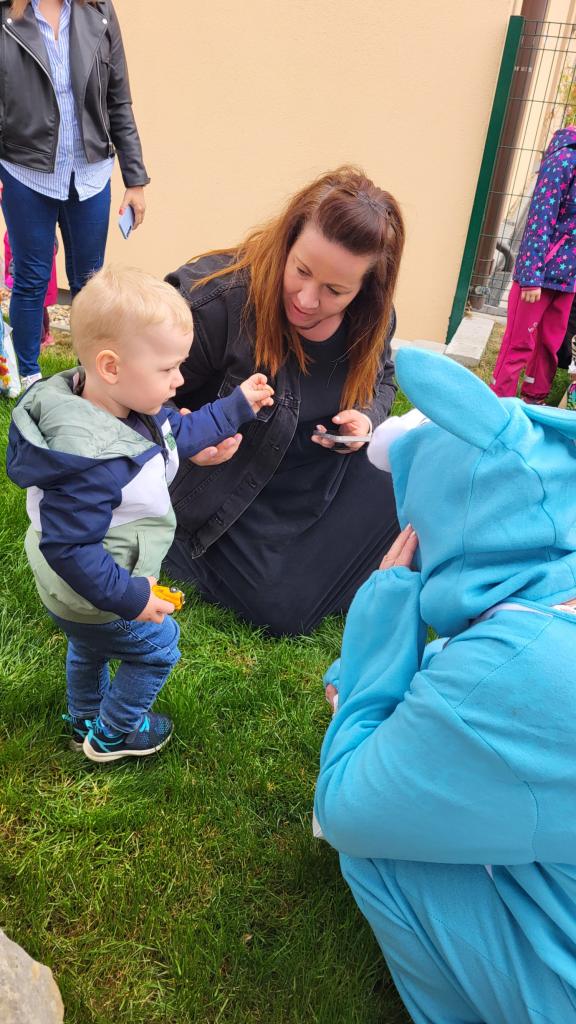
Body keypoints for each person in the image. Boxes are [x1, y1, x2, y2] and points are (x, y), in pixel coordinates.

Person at [315, 347, 576, 1023]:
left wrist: (381, 624)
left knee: (375, 849)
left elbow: (345, 806)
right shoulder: (550, 612)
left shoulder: (513, 665)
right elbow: (464, 672)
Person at [6, 266, 273, 762]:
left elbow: (178, 433)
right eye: (168, 369)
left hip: (76, 592)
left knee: (89, 646)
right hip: (94, 589)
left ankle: (84, 717)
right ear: (111, 366)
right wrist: (131, 597)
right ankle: (114, 734)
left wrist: (237, 406)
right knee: (158, 645)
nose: (179, 380)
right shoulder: (92, 460)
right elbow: (71, 548)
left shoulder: (116, 404)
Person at [164, 166, 404, 636]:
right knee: (285, 611)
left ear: (366, 288)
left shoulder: (373, 316)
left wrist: (367, 419)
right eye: (302, 271)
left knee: (423, 484)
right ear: (287, 239)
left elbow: (384, 380)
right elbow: (121, 396)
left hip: (324, 479)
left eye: (335, 290)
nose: (308, 300)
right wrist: (187, 436)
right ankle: (176, 546)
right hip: (231, 496)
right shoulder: (215, 301)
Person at [0, 0, 149, 389]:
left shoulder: (99, 10)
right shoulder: (6, 15)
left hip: (90, 173)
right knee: (31, 277)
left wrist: (134, 180)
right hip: (25, 171)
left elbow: (119, 100)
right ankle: (29, 379)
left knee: (90, 280)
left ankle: (89, 377)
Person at [491, 125, 576, 403]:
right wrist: (531, 277)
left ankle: (535, 399)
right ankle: (501, 401)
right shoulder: (563, 160)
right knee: (520, 343)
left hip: (568, 279)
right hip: (539, 277)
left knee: (550, 344)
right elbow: (540, 219)